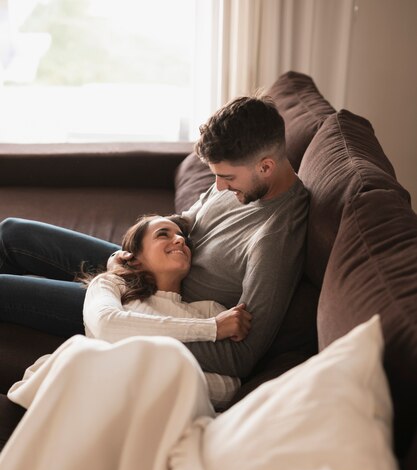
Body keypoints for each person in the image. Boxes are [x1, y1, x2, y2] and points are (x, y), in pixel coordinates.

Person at [0, 95, 309, 380]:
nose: (220, 186)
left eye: (227, 178)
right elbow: (191, 218)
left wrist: (140, 330)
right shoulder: (244, 179)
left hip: (150, 308)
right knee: (13, 232)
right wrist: (136, 245)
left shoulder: (274, 242)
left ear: (265, 166)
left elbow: (240, 357)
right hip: (152, 264)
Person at [82, 213, 252, 409]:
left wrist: (153, 376)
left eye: (184, 238)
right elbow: (107, 325)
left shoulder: (210, 310)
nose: (180, 240)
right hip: (98, 396)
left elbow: (230, 386)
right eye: (163, 234)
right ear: (134, 258)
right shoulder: (110, 284)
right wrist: (210, 328)